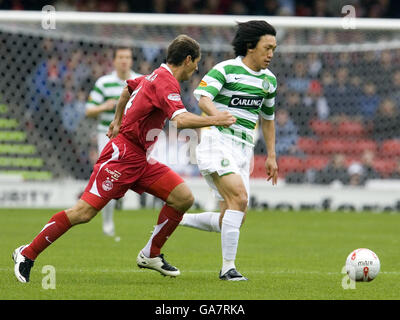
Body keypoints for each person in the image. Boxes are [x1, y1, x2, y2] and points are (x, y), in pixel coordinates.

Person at [12, 34, 236, 283]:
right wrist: (216, 119)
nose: (196, 68)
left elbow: (127, 88)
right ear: (187, 59)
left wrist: (117, 120)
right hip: (121, 157)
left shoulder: (153, 76)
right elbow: (180, 120)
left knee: (183, 198)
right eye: (196, 63)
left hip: (140, 158)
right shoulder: (165, 81)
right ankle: (27, 253)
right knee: (83, 212)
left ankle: (151, 253)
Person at [179, 20, 279, 281]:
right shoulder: (225, 69)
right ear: (250, 46)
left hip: (244, 150)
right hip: (217, 141)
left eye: (274, 49)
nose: (271, 54)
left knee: (234, 217)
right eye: (267, 48)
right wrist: (217, 116)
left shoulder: (269, 81)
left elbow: (267, 119)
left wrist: (271, 155)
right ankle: (228, 269)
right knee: (240, 198)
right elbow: (202, 98)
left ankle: (179, 219)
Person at [85, 47, 141, 237]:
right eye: (121, 57)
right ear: (115, 61)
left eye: (127, 57)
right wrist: (105, 106)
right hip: (107, 135)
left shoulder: (140, 81)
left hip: (133, 137)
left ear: (131, 60)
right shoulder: (104, 83)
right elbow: (88, 110)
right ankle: (108, 224)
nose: (124, 60)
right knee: (108, 177)